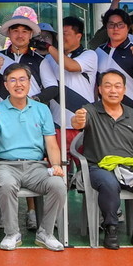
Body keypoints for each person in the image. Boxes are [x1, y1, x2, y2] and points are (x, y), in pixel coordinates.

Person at [71, 70, 133, 250]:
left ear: (124, 90)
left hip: (128, 168)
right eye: (108, 86)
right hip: (98, 168)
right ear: (100, 89)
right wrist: (77, 119)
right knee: (109, 183)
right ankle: (111, 229)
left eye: (117, 86)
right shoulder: (90, 110)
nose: (113, 90)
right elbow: (78, 122)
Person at [0, 64, 66, 251]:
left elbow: (51, 144)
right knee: (6, 184)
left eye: (22, 79)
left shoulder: (42, 109)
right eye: (12, 80)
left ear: (29, 83)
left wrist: (56, 165)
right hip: (5, 166)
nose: (18, 84)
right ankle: (12, 233)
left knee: (58, 185)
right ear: (6, 85)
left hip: (36, 167)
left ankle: (46, 233)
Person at [37, 16, 98, 159]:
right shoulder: (49, 58)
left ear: (79, 36)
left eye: (66, 34)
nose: (61, 38)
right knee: (57, 165)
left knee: (83, 165)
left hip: (83, 123)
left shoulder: (89, 54)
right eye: (60, 34)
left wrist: (48, 47)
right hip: (56, 123)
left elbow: (71, 66)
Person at [93, 8, 133, 125]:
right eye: (111, 25)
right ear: (106, 27)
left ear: (128, 27)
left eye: (120, 25)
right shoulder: (99, 51)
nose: (115, 29)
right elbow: (95, 84)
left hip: (132, 113)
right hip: (104, 115)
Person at [0, 7, 48, 101]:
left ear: (31, 34)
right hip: (3, 109)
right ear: (9, 33)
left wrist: (34, 101)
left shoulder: (40, 60)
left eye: (24, 31)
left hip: (31, 109)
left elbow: (52, 88)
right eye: (15, 31)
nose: (20, 35)